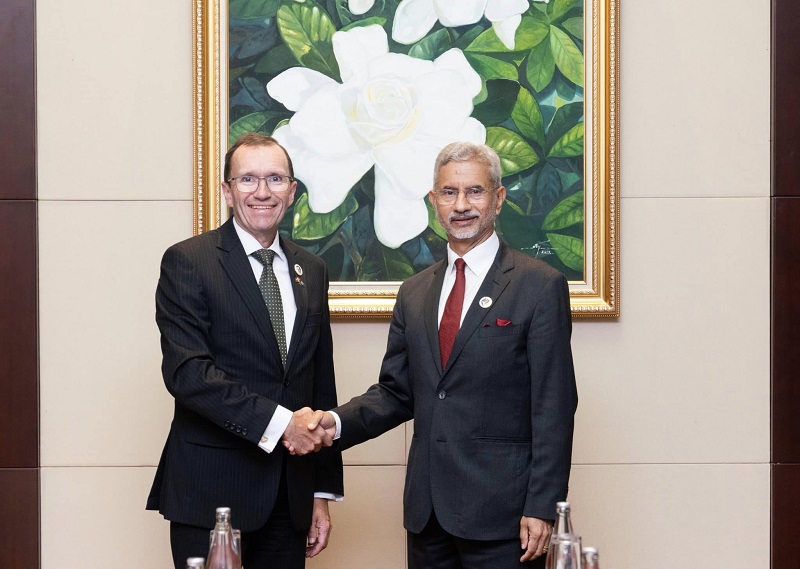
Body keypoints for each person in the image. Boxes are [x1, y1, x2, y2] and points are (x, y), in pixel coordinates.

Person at [294, 141, 578, 568]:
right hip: (428, 516)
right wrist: (331, 424)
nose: (461, 205)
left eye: (475, 191)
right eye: (449, 192)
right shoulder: (415, 292)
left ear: (498, 199)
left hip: (505, 516)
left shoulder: (538, 285)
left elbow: (554, 406)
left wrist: (543, 506)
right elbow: (396, 392)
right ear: (434, 201)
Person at [146, 133, 342, 569]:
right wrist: (281, 425)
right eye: (248, 179)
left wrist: (321, 494)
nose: (262, 191)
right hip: (212, 493)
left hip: (290, 498)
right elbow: (188, 374)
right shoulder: (189, 262)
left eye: (275, 179)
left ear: (292, 192)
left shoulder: (311, 269)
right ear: (227, 190)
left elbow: (318, 382)